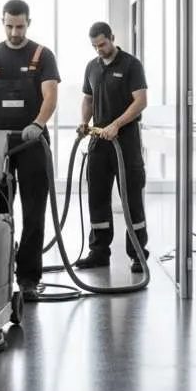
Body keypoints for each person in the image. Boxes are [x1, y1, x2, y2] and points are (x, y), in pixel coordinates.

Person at [0, 0, 60, 302]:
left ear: (28, 22)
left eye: (20, 26)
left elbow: (50, 94)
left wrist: (39, 123)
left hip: (31, 140)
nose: (15, 32)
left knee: (33, 211)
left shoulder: (42, 55)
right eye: (10, 26)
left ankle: (28, 278)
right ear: (2, 22)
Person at [75, 22, 150, 273]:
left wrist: (116, 124)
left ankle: (138, 253)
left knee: (131, 197)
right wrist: (84, 122)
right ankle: (98, 252)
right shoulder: (92, 67)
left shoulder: (131, 65)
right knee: (97, 196)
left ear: (112, 38)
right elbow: (88, 99)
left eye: (102, 44)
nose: (99, 50)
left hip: (125, 141)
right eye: (95, 46)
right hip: (99, 141)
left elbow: (140, 101)